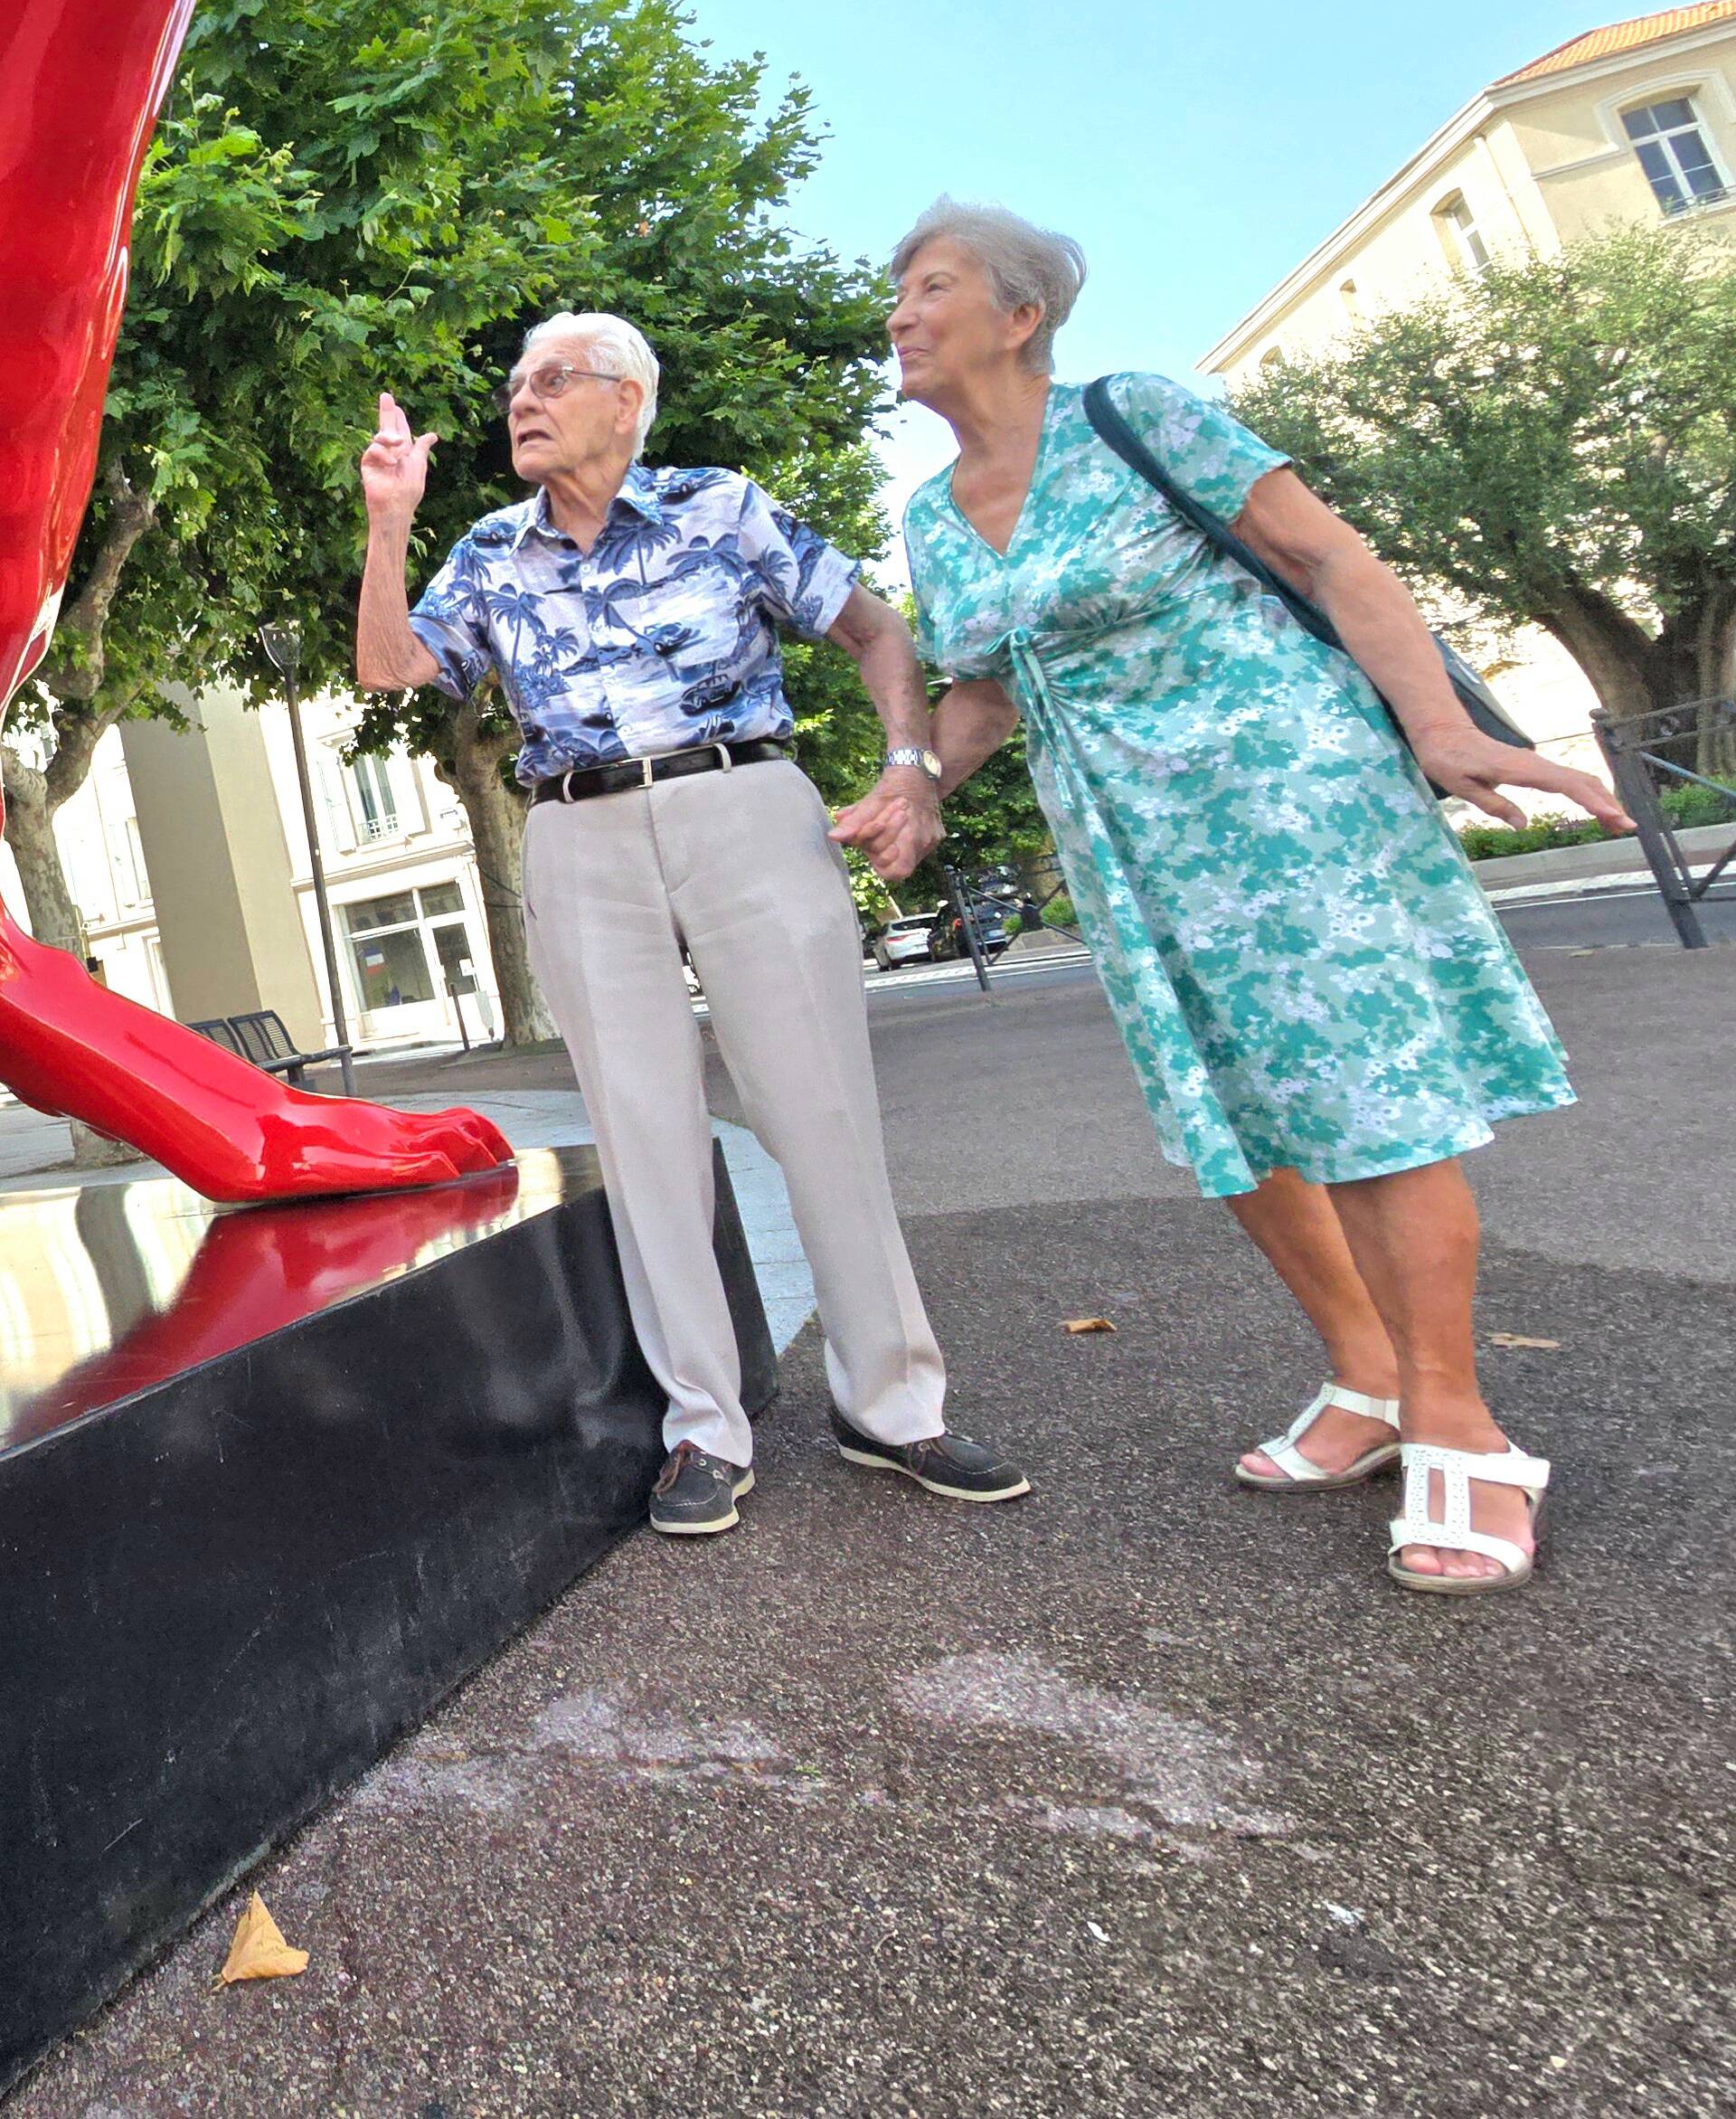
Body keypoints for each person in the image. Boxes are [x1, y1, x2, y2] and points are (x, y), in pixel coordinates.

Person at [887, 201, 1630, 1594]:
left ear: (1020, 315)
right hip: (1127, 840)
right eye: (896, 296)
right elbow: (985, 685)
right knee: (1241, 1111)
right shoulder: (929, 516)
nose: (901, 316)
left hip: (1282, 793)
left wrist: (1440, 726)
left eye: (931, 288)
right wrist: (916, 778)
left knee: (1364, 1096)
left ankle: (1462, 1423)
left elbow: (1326, 557)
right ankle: (1368, 1377)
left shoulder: (1131, 414)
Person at [357, 313, 1027, 1537]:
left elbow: (875, 629)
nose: (523, 400)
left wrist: (906, 764)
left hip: (745, 803)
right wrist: (390, 523)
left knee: (817, 1106)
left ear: (629, 399)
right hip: (579, 827)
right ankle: (704, 1429)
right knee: (645, 1130)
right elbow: (394, 667)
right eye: (515, 385)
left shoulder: (719, 507)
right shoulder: (491, 551)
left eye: (552, 379)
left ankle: (893, 1405)